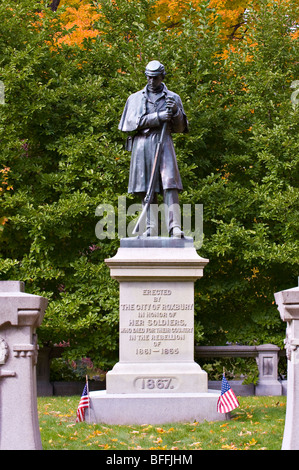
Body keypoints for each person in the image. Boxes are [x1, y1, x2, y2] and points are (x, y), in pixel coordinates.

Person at [118, 60, 188, 237]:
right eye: (148, 77)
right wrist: (158, 116)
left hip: (164, 142)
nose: (151, 81)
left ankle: (174, 226)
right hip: (143, 143)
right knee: (145, 186)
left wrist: (176, 113)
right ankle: (151, 227)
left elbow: (180, 129)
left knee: (169, 183)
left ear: (162, 77)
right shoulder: (134, 99)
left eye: (155, 78)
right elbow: (131, 124)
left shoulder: (173, 98)